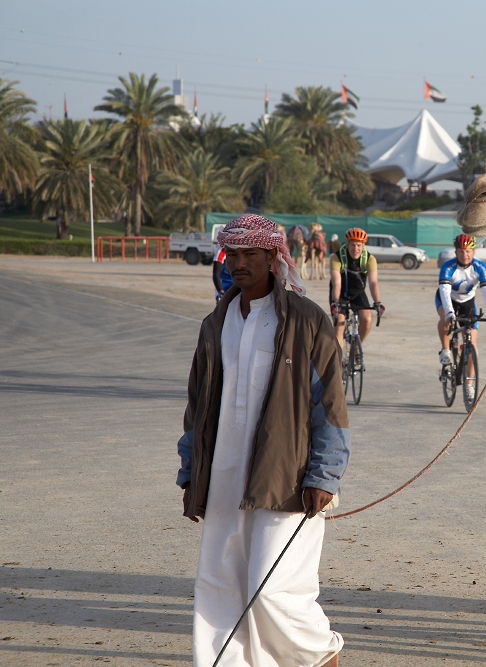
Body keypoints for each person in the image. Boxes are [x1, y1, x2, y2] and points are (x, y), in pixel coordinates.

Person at [176, 213, 349, 667]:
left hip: (288, 476)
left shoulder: (307, 320)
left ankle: (322, 656)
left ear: (274, 257)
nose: (239, 263)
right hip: (222, 476)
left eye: (250, 254)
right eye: (232, 254)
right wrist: (190, 471)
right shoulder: (215, 324)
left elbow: (329, 405)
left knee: (274, 589)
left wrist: (325, 474)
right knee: (219, 585)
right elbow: (197, 406)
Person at [436, 234, 486, 384]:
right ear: (456, 252)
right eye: (461, 251)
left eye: (468, 251)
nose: (465, 255)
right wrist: (450, 313)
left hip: (467, 302)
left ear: (474, 252)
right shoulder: (448, 267)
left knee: (472, 346)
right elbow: (444, 291)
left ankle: (469, 385)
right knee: (446, 318)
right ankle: (446, 351)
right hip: (447, 299)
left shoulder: (480, 267)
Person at [329, 227, 384, 349]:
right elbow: (337, 282)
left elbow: (373, 282)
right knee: (340, 324)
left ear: (363, 245)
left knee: (367, 320)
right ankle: (338, 362)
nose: (356, 249)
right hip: (340, 293)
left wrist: (377, 302)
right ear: (347, 244)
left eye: (359, 245)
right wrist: (336, 303)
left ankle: (356, 347)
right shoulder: (337, 257)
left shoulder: (370, 259)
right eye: (353, 245)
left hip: (358, 292)